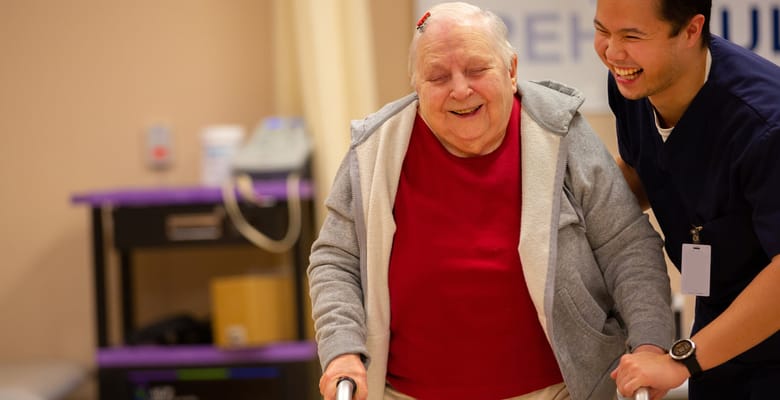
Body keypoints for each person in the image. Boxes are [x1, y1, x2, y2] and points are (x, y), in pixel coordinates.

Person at [308, 2, 674, 400]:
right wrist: (342, 350)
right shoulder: (376, 149)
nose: (460, 89)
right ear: (415, 85)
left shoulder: (559, 132)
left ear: (511, 70)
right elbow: (335, 260)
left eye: (477, 70)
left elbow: (627, 248)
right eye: (437, 76)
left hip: (557, 392)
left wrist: (650, 345)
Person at [593, 0, 780, 399]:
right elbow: (647, 168)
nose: (611, 52)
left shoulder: (765, 125)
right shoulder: (634, 82)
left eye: (631, 36)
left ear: (692, 30)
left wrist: (681, 360)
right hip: (717, 326)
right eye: (602, 31)